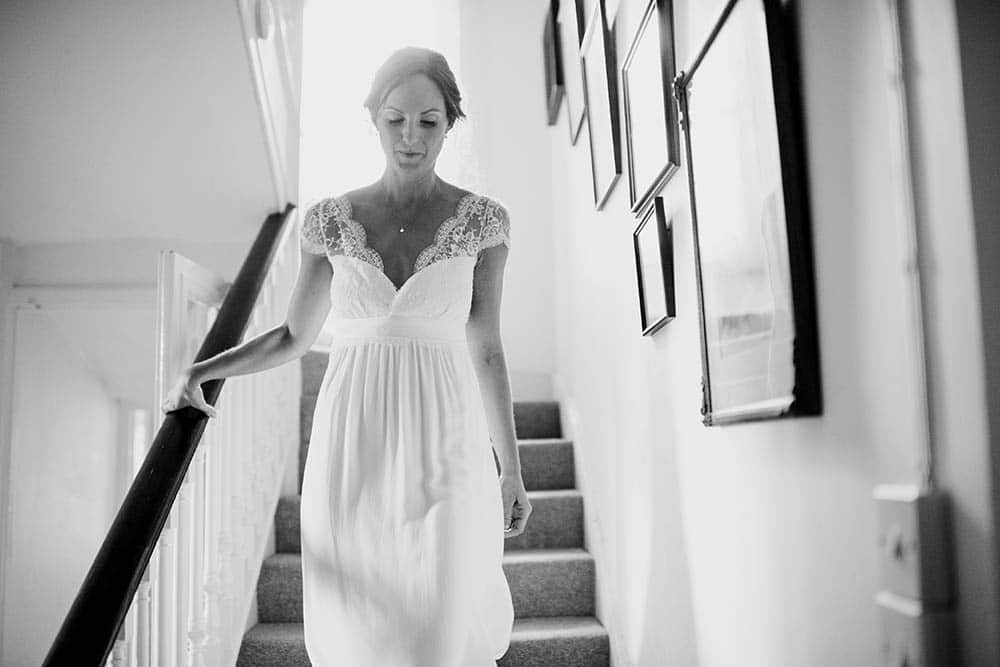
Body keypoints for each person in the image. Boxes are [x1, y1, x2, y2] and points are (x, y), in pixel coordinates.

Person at [160, 46, 530, 666]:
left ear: (450, 122)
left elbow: (486, 345)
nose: (410, 137)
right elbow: (292, 337)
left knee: (441, 610)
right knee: (367, 625)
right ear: (374, 119)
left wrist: (512, 468)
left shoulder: (484, 221)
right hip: (354, 441)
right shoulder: (330, 220)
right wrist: (206, 368)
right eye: (395, 120)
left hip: (447, 433)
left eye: (428, 121)